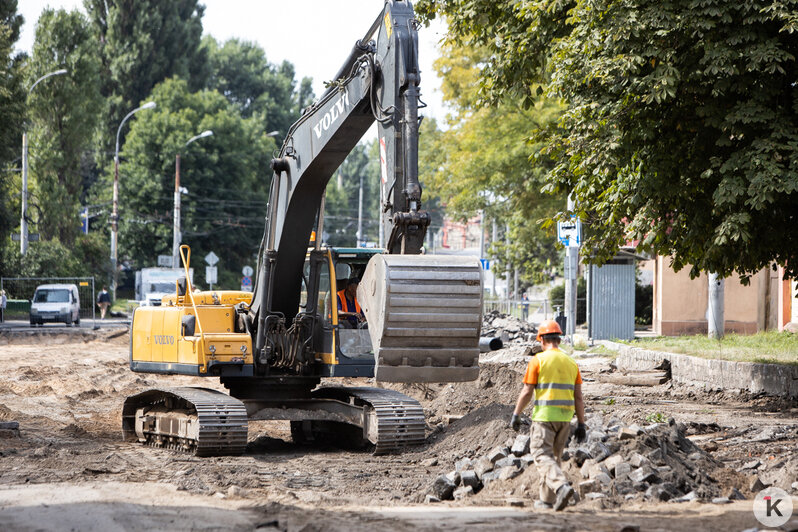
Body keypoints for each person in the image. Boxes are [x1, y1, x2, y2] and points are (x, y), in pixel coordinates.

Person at [510, 319, 586, 511]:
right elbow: (578, 397)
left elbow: (527, 391)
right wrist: (582, 424)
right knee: (553, 459)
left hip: (544, 418)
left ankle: (561, 486)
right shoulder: (571, 362)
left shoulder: (538, 360)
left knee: (540, 454)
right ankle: (547, 500)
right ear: (559, 340)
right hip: (565, 419)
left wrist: (517, 414)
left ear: (542, 340)